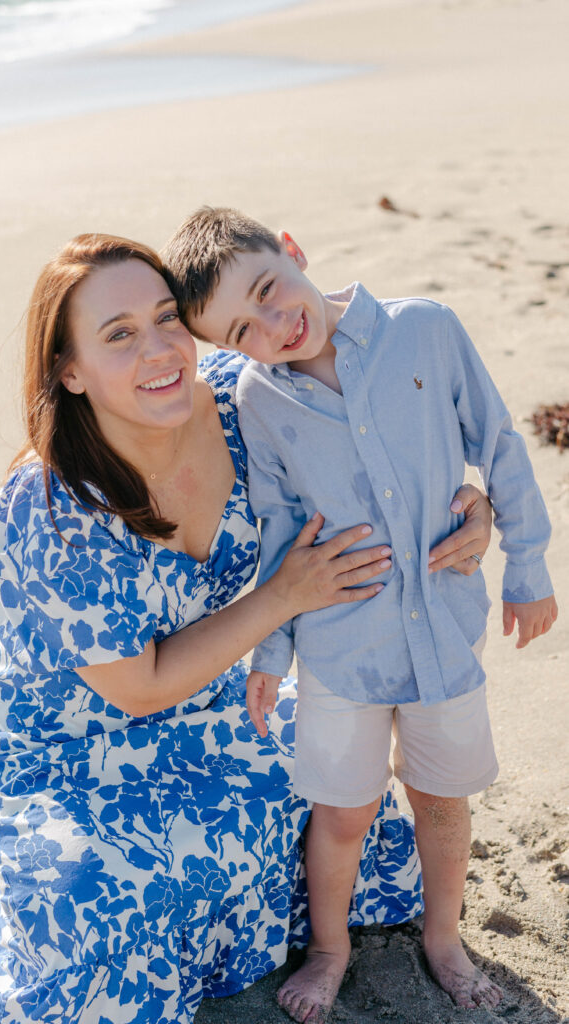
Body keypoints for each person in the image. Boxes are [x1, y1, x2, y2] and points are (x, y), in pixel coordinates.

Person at [0, 233, 493, 1024]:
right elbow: (140, 687)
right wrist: (284, 596)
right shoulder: (48, 509)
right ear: (70, 371)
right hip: (61, 743)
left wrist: (470, 503)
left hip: (220, 704)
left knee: (344, 809)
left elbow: (388, 417)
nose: (160, 348)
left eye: (167, 318)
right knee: (100, 900)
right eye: (119, 334)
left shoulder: (251, 397)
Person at [162, 206, 559, 1023]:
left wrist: (526, 558)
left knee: (442, 798)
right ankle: (331, 948)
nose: (274, 326)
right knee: (342, 811)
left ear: (294, 249)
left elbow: (498, 441)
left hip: (445, 632)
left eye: (270, 290)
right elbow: (280, 529)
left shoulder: (427, 329)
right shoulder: (264, 403)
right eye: (243, 331)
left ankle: (445, 939)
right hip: (339, 648)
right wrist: (270, 655)